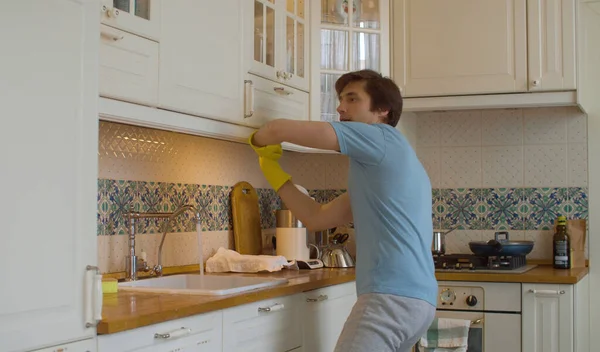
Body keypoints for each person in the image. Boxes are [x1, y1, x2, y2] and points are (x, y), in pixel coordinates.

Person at [248, 69, 437, 352]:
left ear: (382, 110)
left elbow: (275, 130)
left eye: (352, 99)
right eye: (340, 99)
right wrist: (273, 172)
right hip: (416, 301)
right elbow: (317, 217)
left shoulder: (381, 138)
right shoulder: (380, 171)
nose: (340, 107)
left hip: (390, 299)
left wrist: (257, 139)